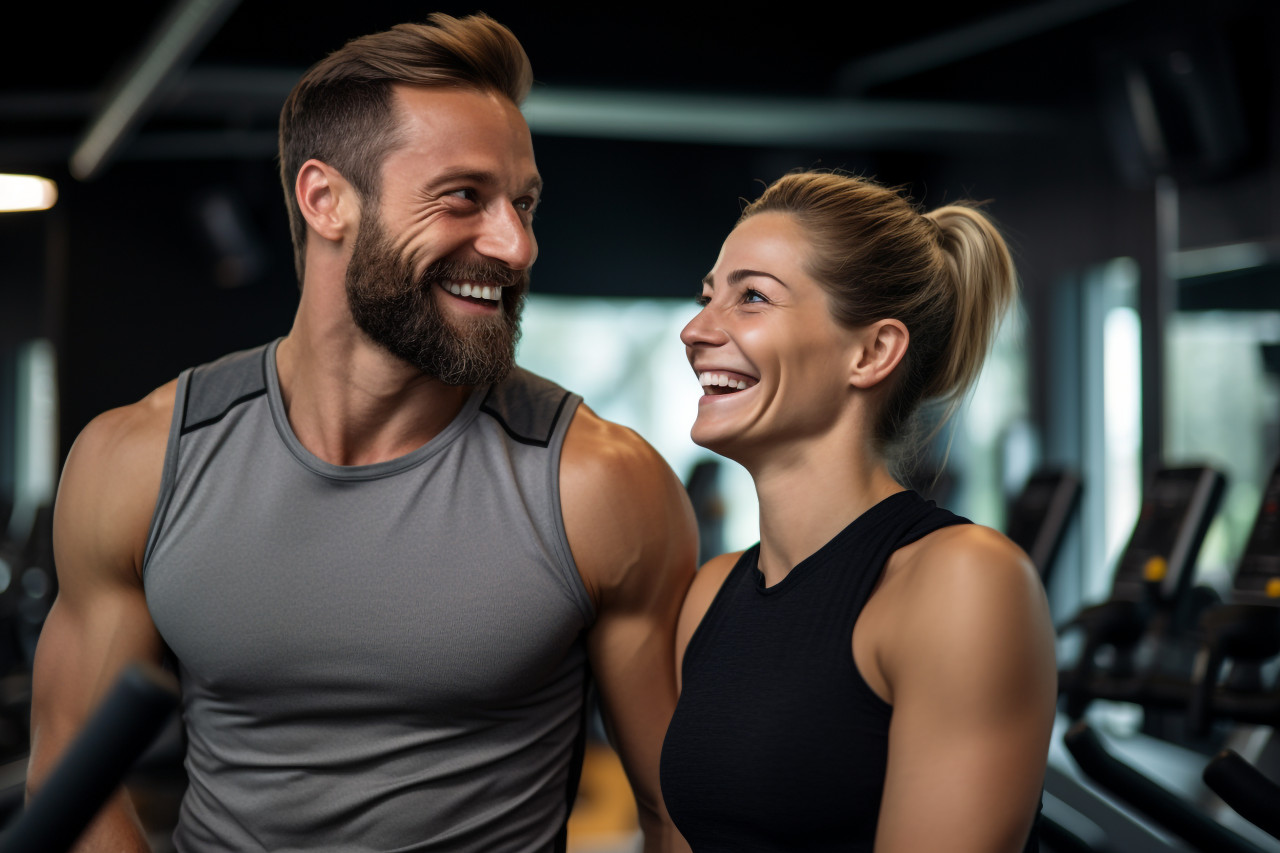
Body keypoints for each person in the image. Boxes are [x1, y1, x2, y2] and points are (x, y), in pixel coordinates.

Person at [28, 13, 697, 853]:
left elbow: (682, 815)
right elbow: (71, 775)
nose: (516, 244)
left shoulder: (598, 482)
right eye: (465, 197)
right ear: (326, 199)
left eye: (523, 204)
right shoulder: (142, 461)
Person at [659, 170, 1056, 852]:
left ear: (871, 352)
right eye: (706, 297)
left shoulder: (962, 581)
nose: (696, 329)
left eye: (751, 296)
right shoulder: (710, 594)